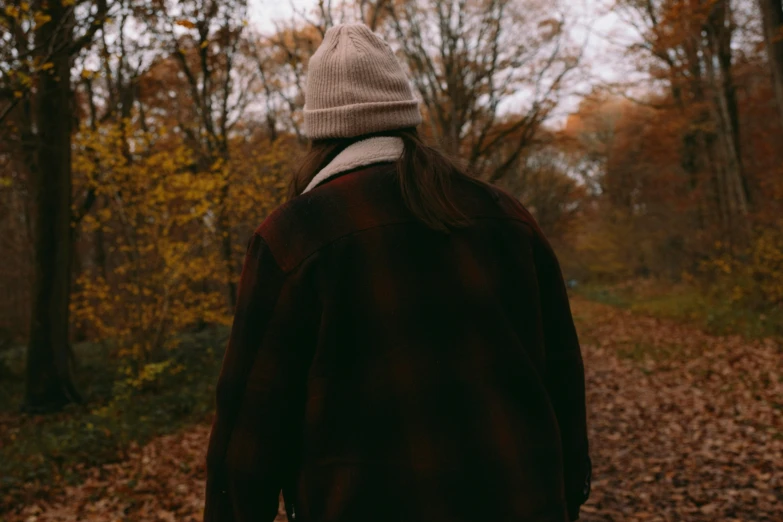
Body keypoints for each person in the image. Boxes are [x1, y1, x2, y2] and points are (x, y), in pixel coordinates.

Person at [204, 23, 591, 522]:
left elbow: (249, 427)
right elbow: (562, 372)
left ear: (318, 130)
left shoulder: (294, 237)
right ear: (405, 114)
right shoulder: (504, 216)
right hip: (521, 501)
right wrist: (565, 491)